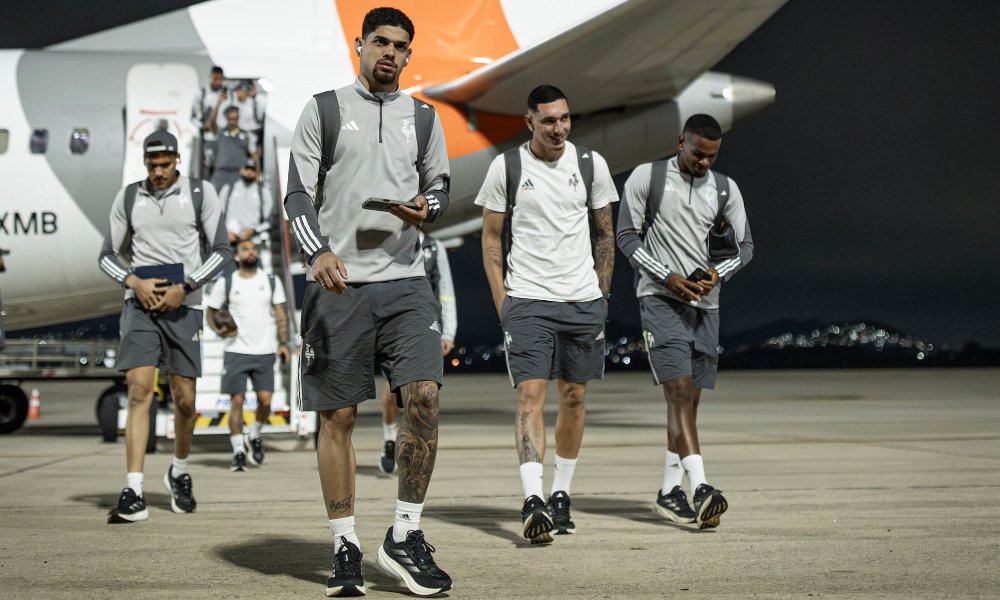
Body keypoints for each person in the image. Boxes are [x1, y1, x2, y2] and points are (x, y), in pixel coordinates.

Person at [284, 7, 453, 597]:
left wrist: (426, 209)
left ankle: (404, 535)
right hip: (339, 284)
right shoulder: (324, 110)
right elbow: (297, 193)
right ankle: (345, 545)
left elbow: (440, 188)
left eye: (400, 45)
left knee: (424, 399)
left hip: (406, 281)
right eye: (379, 41)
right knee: (339, 417)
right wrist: (318, 253)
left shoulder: (426, 118)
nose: (389, 51)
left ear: (409, 55)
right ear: (359, 45)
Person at [477, 85, 618, 543]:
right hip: (528, 299)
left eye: (564, 119)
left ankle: (561, 494)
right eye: (548, 121)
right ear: (529, 123)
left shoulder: (590, 164)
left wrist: (602, 295)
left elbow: (605, 234)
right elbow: (492, 240)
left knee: (574, 398)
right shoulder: (508, 167)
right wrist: (505, 304)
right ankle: (532, 498)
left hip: (581, 300)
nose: (558, 128)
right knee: (529, 398)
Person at [615, 114, 754, 529]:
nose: (704, 163)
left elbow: (745, 247)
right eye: (698, 154)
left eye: (712, 157)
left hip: (706, 306)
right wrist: (667, 276)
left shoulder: (726, 189)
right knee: (677, 391)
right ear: (681, 142)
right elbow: (626, 236)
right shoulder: (648, 177)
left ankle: (668, 491)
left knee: (689, 402)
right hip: (659, 299)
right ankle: (702, 487)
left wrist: (718, 274)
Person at [98, 129, 232, 524]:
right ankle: (134, 489)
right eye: (152, 165)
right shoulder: (128, 197)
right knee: (139, 391)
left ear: (177, 160)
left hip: (184, 307)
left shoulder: (200, 193)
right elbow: (107, 255)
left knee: (184, 399)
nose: (158, 172)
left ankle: (179, 469)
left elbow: (222, 250)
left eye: (165, 164)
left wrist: (186, 287)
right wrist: (133, 282)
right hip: (138, 307)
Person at [377, 230, 457, 475]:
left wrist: (449, 332)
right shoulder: (386, 241)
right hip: (392, 323)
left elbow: (445, 289)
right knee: (392, 391)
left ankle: (410, 445)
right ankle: (390, 439)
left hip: (424, 324)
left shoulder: (434, 247)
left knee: (421, 393)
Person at [218, 158, 273, 247]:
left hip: (253, 244)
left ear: (257, 173)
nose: (249, 172)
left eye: (252, 170)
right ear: (241, 170)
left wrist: (254, 230)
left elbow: (269, 223)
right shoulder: (228, 189)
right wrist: (225, 233)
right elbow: (218, 217)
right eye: (246, 168)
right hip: (230, 241)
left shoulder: (264, 193)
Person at [209, 105, 256, 193]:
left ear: (238, 117)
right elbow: (211, 123)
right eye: (230, 118)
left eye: (235, 118)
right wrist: (218, 103)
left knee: (235, 202)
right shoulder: (220, 132)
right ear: (226, 118)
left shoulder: (246, 134)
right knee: (215, 200)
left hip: (239, 174)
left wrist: (256, 174)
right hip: (221, 173)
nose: (233, 121)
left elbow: (254, 156)